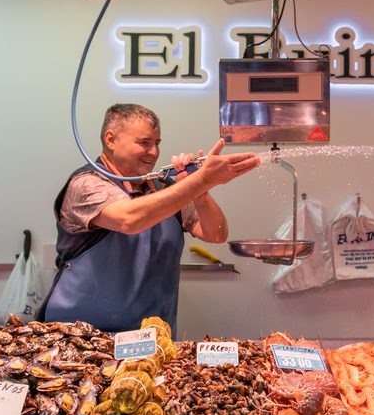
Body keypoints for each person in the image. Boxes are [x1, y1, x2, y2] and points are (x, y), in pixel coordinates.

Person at [41, 104, 260, 335]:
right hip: (80, 340)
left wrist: (200, 191)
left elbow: (216, 234)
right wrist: (202, 180)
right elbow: (129, 219)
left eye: (157, 143)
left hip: (150, 340)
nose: (154, 152)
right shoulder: (86, 184)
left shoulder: (164, 188)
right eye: (144, 143)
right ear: (111, 139)